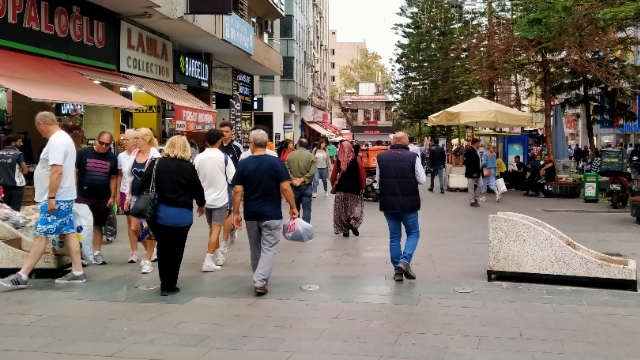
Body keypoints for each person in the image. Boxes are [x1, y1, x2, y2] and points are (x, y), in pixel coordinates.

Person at [1, 112, 85, 288]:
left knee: (41, 235)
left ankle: (22, 275)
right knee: (68, 231)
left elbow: (57, 170)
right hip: (64, 195)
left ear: (41, 124)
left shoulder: (55, 141)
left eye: (38, 128)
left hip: (57, 197)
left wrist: (51, 197)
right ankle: (77, 271)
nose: (39, 132)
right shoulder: (65, 139)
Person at [231, 129, 298, 295]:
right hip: (272, 213)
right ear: (267, 142)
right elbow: (285, 187)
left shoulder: (243, 163)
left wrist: (236, 212)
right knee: (269, 248)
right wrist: (293, 207)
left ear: (252, 144)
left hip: (251, 213)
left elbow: (237, 190)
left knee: (255, 248)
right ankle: (260, 281)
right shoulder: (276, 162)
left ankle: (259, 277)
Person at [139, 136, 205, 296]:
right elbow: (198, 189)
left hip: (159, 214)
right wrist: (201, 204)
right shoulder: (188, 167)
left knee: (163, 247)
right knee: (177, 249)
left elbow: (142, 185)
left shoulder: (156, 164)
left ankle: (164, 284)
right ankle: (171, 284)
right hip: (182, 215)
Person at [376, 132, 426, 281]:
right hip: (408, 204)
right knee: (413, 233)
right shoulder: (412, 157)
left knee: (394, 237)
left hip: (388, 204)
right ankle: (405, 261)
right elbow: (422, 179)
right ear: (405, 142)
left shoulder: (381, 157)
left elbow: (379, 180)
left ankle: (397, 271)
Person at [195, 129, 236, 272]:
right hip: (220, 199)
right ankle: (208, 260)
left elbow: (195, 178)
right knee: (216, 229)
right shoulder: (224, 158)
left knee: (212, 229)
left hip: (204, 199)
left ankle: (217, 255)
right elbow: (233, 179)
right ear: (219, 141)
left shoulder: (199, 157)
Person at [75, 131, 118, 265]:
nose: (103, 146)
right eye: (101, 143)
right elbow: (75, 173)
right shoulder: (83, 153)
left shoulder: (112, 158)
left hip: (102, 197)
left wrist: (112, 196)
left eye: (107, 144)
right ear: (96, 140)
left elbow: (113, 177)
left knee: (98, 225)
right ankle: (80, 254)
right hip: (83, 195)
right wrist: (74, 192)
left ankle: (96, 253)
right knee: (81, 225)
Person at [124, 128, 161, 273]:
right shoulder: (134, 154)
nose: (134, 141)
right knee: (135, 228)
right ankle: (151, 250)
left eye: (137, 138)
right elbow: (129, 178)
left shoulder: (155, 156)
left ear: (145, 139)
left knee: (148, 229)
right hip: (134, 196)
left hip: (149, 197)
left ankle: (148, 260)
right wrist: (127, 196)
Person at [331, 142, 366, 237]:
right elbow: (362, 174)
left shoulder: (338, 160)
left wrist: (333, 186)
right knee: (356, 207)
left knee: (342, 210)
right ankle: (353, 223)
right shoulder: (357, 159)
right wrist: (363, 186)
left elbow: (333, 175)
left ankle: (345, 230)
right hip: (354, 188)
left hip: (341, 188)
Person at [218, 121, 243, 250]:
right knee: (221, 212)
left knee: (229, 210)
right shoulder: (216, 145)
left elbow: (241, 165)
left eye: (227, 131)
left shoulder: (237, 147)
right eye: (222, 131)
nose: (224, 134)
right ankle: (231, 227)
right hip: (218, 183)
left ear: (232, 132)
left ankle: (227, 236)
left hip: (232, 184)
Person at [117, 130, 139, 262]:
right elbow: (119, 175)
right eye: (123, 139)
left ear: (134, 140)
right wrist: (117, 194)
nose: (124, 142)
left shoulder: (141, 154)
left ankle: (150, 249)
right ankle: (134, 252)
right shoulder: (121, 156)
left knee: (141, 224)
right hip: (125, 191)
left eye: (126, 139)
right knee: (130, 223)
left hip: (139, 193)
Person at [285, 138, 316, 223]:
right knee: (306, 208)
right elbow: (312, 172)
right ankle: (305, 227)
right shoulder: (311, 156)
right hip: (306, 185)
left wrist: (292, 179)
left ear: (298, 145)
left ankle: (295, 227)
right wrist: (302, 179)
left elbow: (286, 169)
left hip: (293, 186)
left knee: (294, 207)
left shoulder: (290, 155)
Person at [0, 133, 28, 211]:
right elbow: (25, 170)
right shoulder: (18, 154)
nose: (21, 144)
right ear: (13, 143)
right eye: (19, 142)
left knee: (6, 208)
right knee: (15, 209)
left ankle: (7, 223)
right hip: (17, 185)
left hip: (5, 184)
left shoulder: (0, 153)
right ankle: (14, 223)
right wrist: (21, 169)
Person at [464, 138, 483, 207]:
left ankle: (475, 198)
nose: (479, 144)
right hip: (472, 172)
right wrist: (473, 171)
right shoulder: (469, 150)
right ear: (475, 143)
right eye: (478, 143)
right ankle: (472, 200)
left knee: (480, 185)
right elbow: (469, 162)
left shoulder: (476, 151)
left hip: (478, 171)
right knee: (471, 187)